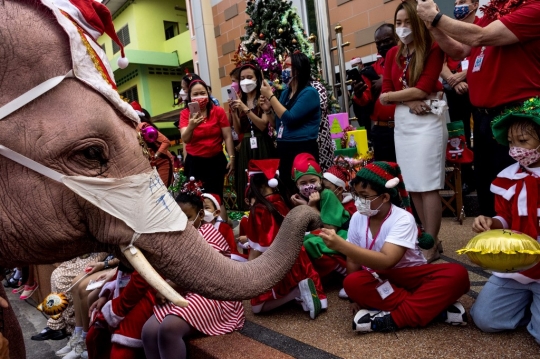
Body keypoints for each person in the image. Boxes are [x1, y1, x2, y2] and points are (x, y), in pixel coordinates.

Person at [416, 0, 540, 217]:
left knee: (516, 192)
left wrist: (436, 17)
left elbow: (479, 36)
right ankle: (493, 243)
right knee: (489, 189)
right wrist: (431, 25)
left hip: (517, 119)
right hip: (483, 117)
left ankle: (521, 245)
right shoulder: (490, 16)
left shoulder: (533, 8)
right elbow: (458, 50)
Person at [319, 161, 470, 333]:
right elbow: (353, 261)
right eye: (357, 195)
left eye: (365, 196)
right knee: (352, 283)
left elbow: (387, 260)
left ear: (385, 197)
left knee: (457, 274)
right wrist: (355, 298)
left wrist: (343, 245)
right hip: (380, 280)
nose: (359, 201)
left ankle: (393, 318)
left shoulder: (402, 219)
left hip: (412, 277)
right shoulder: (357, 218)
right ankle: (435, 309)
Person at [142, 184, 244, 359]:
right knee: (148, 331)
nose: (182, 222)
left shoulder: (208, 234)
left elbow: (203, 274)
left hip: (214, 294)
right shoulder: (176, 236)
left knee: (169, 328)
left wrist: (167, 287)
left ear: (201, 215)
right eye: (176, 217)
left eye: (188, 217)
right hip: (185, 291)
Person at [380, 0, 446, 262]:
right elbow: (384, 94)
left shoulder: (432, 47)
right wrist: (406, 100)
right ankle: (428, 239)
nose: (402, 27)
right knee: (414, 185)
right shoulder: (392, 54)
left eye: (407, 22)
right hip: (404, 120)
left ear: (418, 23)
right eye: (398, 23)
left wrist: (398, 96)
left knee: (428, 184)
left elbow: (424, 87)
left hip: (429, 118)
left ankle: (430, 240)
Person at [471, 100, 540, 343]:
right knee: (485, 320)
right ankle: (525, 306)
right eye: (511, 142)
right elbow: (505, 219)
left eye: (523, 141)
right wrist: (490, 222)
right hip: (516, 267)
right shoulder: (507, 177)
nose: (516, 149)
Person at [245, 159, 326, 319]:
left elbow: (264, 246)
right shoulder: (280, 200)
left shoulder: (261, 209)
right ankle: (300, 292)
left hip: (279, 263)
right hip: (298, 259)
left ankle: (297, 291)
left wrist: (250, 273)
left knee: (257, 308)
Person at [259, 52, 322, 194]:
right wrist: (268, 110)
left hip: (302, 147)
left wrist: (270, 95)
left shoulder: (309, 92)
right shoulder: (286, 93)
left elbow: (290, 118)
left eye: (287, 66)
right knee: (287, 189)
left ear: (299, 69)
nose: (283, 70)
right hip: (284, 147)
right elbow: (277, 124)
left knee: (303, 190)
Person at [291, 153, 349, 278]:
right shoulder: (303, 198)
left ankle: (342, 269)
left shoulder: (327, 194)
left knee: (310, 244)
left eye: (312, 181)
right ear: (297, 185)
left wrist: (311, 207)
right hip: (322, 233)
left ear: (320, 180)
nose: (308, 186)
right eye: (303, 183)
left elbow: (329, 229)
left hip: (342, 234)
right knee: (298, 243)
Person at [179, 79, 235, 207]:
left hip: (216, 161)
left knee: (216, 199)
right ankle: (201, 226)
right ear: (190, 97)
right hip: (195, 163)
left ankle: (220, 225)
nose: (200, 97)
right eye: (195, 94)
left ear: (208, 94)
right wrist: (191, 126)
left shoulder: (218, 111)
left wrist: (232, 157)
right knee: (196, 199)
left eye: (202, 93)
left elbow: (227, 136)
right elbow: (185, 139)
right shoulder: (185, 114)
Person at [229, 63, 276, 208]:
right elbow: (238, 130)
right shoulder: (240, 100)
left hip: (262, 144)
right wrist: (234, 113)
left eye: (249, 77)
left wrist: (246, 109)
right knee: (246, 180)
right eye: (242, 78)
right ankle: (248, 212)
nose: (245, 81)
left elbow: (263, 125)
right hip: (246, 146)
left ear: (257, 79)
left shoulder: (263, 99)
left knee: (263, 181)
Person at [31, 253, 107, 342]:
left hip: (101, 256)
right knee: (56, 274)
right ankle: (57, 323)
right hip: (85, 252)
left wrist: (101, 262)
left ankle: (71, 328)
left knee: (62, 280)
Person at [55, 256, 119, 359]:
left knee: (83, 288)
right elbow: (107, 247)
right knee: (75, 283)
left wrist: (105, 264)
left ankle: (85, 341)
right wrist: (97, 260)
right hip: (107, 260)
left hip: (118, 266)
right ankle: (78, 333)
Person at [352, 24, 398, 162]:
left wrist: (386, 82)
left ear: (397, 38)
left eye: (387, 41)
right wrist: (358, 94)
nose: (383, 45)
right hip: (382, 130)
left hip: (405, 126)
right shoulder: (372, 70)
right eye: (379, 43)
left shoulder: (407, 62)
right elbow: (365, 99)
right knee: (384, 175)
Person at [132, 101, 175, 187]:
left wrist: (155, 156)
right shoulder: (129, 129)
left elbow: (165, 142)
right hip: (149, 167)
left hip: (163, 162)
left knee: (160, 193)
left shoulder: (144, 127)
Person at [201, 193, 240, 261]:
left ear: (217, 213)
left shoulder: (224, 228)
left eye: (207, 208)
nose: (203, 211)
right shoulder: (197, 226)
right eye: (201, 208)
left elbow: (232, 249)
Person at [311, 79, 334, 172]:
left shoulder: (316, 86)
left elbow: (320, 107)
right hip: (305, 140)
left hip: (320, 135)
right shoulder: (290, 89)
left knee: (324, 173)